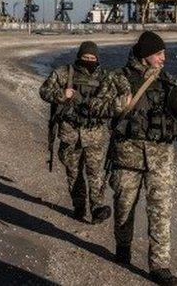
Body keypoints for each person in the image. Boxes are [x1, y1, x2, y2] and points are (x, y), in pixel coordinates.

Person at [108, 31, 177, 286]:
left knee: (160, 211)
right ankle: (123, 246)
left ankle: (159, 266)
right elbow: (99, 107)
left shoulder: (168, 81)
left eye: (164, 53)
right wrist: (120, 105)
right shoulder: (118, 79)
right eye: (159, 53)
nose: (164, 58)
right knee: (123, 206)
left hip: (160, 159)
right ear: (146, 55)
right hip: (127, 155)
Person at [38, 41, 119, 224]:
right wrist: (62, 95)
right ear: (79, 57)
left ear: (97, 59)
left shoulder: (105, 77)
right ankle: (78, 205)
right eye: (85, 57)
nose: (89, 60)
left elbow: (115, 103)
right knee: (74, 173)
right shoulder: (65, 73)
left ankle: (97, 208)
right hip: (71, 133)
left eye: (92, 58)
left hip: (95, 134)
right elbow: (44, 91)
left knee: (95, 173)